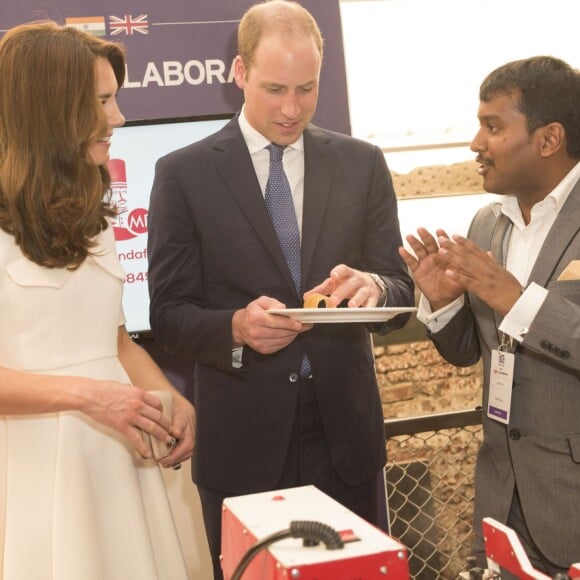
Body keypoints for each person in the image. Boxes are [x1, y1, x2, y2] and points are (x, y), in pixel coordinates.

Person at [147, 1, 414, 577]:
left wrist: (373, 285)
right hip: (243, 441)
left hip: (346, 440)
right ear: (239, 73)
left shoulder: (362, 163)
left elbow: (400, 291)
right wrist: (236, 328)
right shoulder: (183, 174)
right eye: (274, 89)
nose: (291, 109)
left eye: (307, 88)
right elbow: (168, 313)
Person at [0, 21, 196, 580]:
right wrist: (88, 396)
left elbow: (111, 339)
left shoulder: (94, 216)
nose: (119, 118)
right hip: (31, 468)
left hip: (116, 459)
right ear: (50, 109)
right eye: (103, 102)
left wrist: (165, 396)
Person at [399, 55, 580, 576]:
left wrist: (517, 301)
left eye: (492, 126)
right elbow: (468, 352)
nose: (476, 144)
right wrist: (442, 302)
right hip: (500, 500)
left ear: (549, 140)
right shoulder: (486, 223)